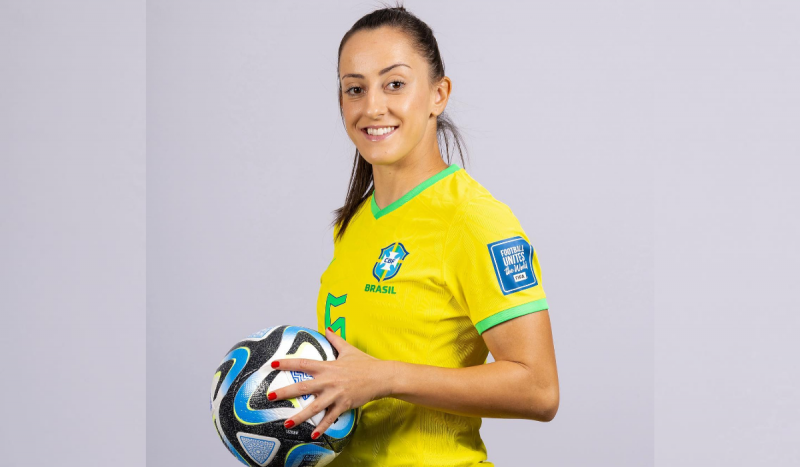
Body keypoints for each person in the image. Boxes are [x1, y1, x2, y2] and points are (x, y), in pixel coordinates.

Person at [267, 4, 559, 466]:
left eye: (395, 84)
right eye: (354, 89)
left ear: (438, 94)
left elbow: (539, 389)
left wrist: (386, 378)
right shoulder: (356, 222)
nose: (371, 107)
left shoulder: (473, 220)